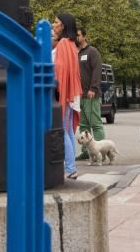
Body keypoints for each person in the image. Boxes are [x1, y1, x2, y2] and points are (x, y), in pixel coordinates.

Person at [51, 13, 82, 180]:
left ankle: (70, 167)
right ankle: (71, 166)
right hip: (72, 91)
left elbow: (59, 68)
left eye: (56, 22)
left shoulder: (63, 43)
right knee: (68, 129)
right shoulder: (71, 44)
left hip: (65, 91)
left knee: (63, 129)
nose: (53, 24)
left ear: (63, 26)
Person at [74, 23, 105, 159]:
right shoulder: (76, 52)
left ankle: (102, 152)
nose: (76, 37)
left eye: (78, 35)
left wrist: (93, 88)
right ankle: (86, 152)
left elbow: (97, 71)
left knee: (95, 124)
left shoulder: (92, 52)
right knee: (83, 125)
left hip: (91, 94)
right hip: (79, 95)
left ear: (84, 36)